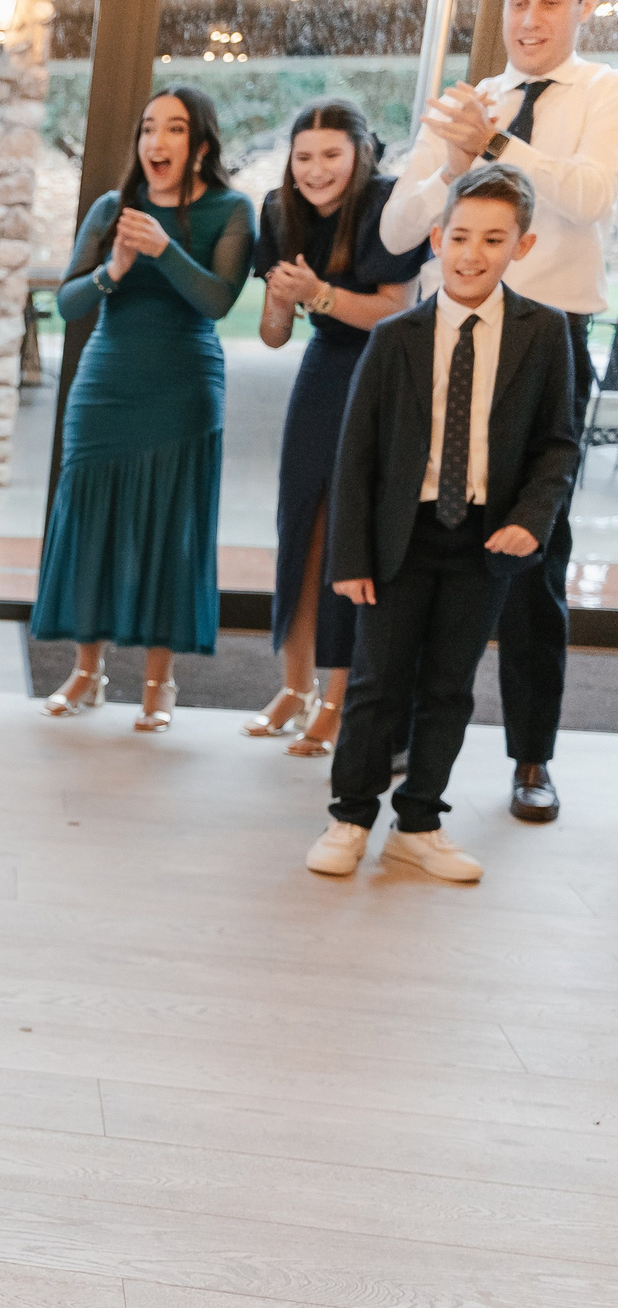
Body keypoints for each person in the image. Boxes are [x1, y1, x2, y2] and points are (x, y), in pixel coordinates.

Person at [381, 0, 618, 824]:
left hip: (546, 342)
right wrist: (450, 162)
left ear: (581, 11)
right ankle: (404, 730)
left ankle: (531, 756)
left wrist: (496, 146)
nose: (531, 17)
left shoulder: (600, 91)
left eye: (550, 2)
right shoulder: (466, 101)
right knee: (422, 534)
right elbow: (399, 225)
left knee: (534, 551)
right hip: (447, 336)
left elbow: (588, 198)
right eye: (518, 1)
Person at [306, 164, 577, 884]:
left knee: (452, 687)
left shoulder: (543, 333)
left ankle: (418, 823)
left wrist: (531, 518)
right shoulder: (397, 337)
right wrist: (350, 555)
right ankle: (350, 816)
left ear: (522, 246)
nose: (472, 253)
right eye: (460, 236)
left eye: (493, 239)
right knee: (377, 682)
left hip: (485, 539)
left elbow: (558, 443)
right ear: (436, 238)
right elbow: (356, 453)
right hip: (402, 535)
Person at [32, 86, 254, 732]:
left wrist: (164, 250)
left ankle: (161, 682)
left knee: (169, 529)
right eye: (148, 128)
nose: (157, 142)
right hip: (106, 384)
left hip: (183, 387)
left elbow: (216, 300)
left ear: (202, 145)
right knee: (91, 524)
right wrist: (114, 270)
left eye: (174, 129)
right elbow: (70, 303)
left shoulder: (232, 210)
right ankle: (87, 671)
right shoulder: (112, 207)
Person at [249, 100, 425, 756]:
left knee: (354, 534)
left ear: (360, 157)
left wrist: (317, 293)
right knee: (302, 524)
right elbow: (272, 338)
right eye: (304, 156)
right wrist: (280, 297)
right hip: (323, 370)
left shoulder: (388, 204)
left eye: (331, 155)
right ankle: (294, 687)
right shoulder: (277, 210)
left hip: (383, 374)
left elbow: (392, 310)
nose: (316, 169)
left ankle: (339, 698)